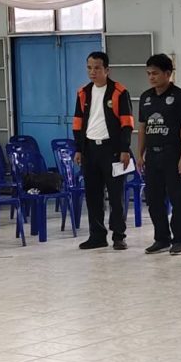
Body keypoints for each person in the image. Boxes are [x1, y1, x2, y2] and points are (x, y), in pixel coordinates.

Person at [71, 51, 134, 250]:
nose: (93, 72)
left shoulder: (119, 92)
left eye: (97, 68)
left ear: (107, 70)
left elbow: (127, 123)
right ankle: (97, 236)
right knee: (93, 195)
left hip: (112, 150)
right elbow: (77, 123)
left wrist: (124, 149)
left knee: (116, 196)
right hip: (90, 150)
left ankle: (119, 235)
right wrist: (79, 149)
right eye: (89, 68)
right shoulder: (83, 92)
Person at [138, 53, 181, 255]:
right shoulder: (146, 97)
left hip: (173, 154)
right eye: (149, 73)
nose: (151, 77)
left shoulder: (180, 97)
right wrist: (140, 154)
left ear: (168, 74)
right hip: (152, 155)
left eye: (156, 73)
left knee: (177, 198)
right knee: (153, 199)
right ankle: (161, 238)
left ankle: (179, 239)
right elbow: (142, 127)